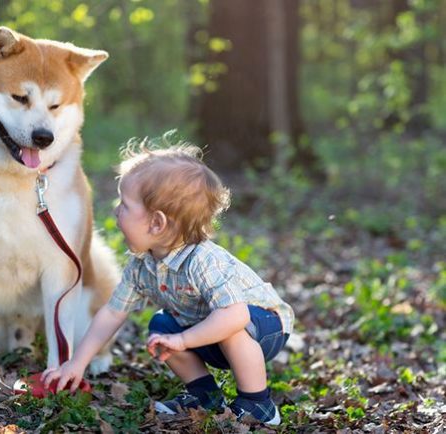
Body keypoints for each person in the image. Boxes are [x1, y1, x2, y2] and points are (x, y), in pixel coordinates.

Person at [41, 141, 294, 425]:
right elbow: (112, 313)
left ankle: (257, 403)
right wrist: (76, 364)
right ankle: (205, 397)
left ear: (157, 223)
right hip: (209, 328)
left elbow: (236, 314)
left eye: (124, 204)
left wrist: (183, 339)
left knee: (231, 326)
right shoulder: (142, 265)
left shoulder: (203, 261)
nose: (116, 211)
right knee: (162, 326)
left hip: (264, 326)